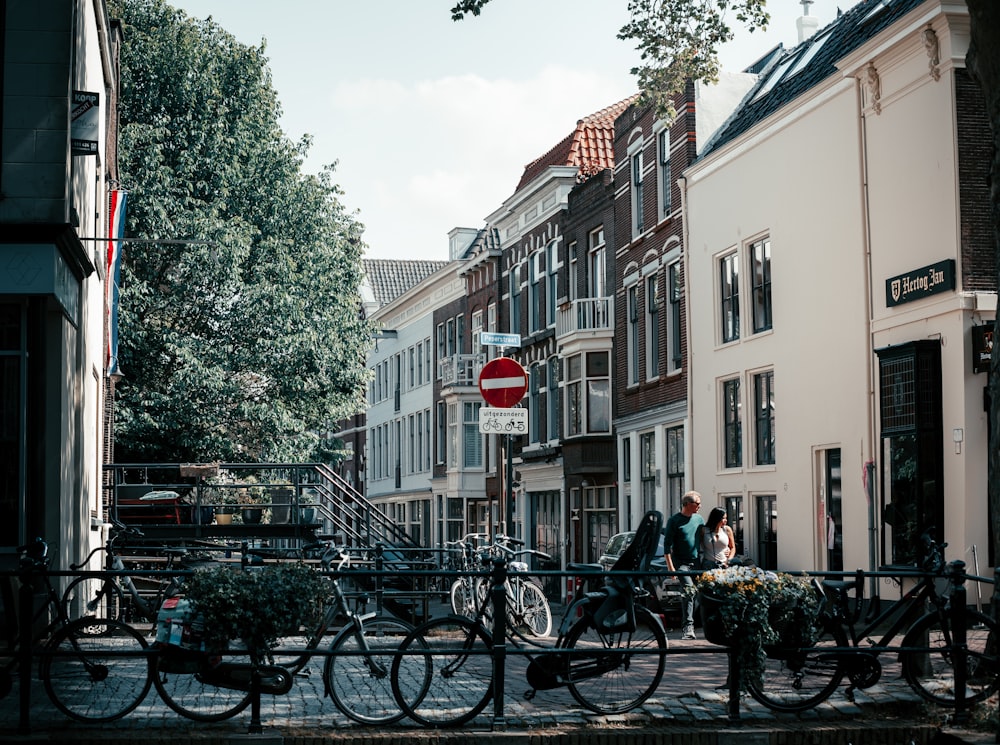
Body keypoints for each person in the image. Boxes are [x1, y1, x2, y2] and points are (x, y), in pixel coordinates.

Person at [663, 490, 704, 640]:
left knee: (703, 592)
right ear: (687, 504)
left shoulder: (699, 519)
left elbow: (705, 536)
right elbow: (667, 546)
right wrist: (671, 568)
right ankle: (688, 627)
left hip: (697, 562)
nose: (700, 506)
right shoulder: (674, 521)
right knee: (689, 591)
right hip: (681, 564)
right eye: (697, 504)